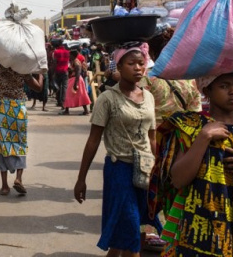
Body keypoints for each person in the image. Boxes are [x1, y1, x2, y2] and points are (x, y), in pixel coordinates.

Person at [148, 73, 233, 256]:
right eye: (224, 86)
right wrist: (204, 137)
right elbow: (178, 180)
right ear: (207, 90)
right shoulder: (191, 127)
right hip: (201, 230)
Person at [74, 43, 161, 257]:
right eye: (131, 64)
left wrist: (159, 171)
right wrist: (81, 178)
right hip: (119, 170)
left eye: (141, 64)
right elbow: (93, 141)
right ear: (118, 68)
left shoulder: (149, 97)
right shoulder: (107, 99)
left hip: (145, 170)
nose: (138, 68)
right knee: (130, 228)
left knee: (138, 228)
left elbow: (152, 138)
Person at [0, 65, 43, 195]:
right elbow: (38, 88)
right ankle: (18, 178)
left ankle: (4, 186)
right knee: (20, 143)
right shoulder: (22, 68)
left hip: (2, 109)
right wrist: (41, 74)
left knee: (2, 145)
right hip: (17, 109)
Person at [60, 50, 91, 116]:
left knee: (69, 94)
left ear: (73, 55)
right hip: (74, 79)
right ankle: (85, 110)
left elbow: (78, 73)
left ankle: (67, 110)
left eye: (70, 55)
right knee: (80, 95)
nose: (69, 56)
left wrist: (75, 84)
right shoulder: (73, 61)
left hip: (76, 80)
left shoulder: (76, 62)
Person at [53, 39, 70, 109]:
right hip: (65, 71)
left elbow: (55, 62)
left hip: (58, 70)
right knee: (65, 87)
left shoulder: (56, 52)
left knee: (58, 86)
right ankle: (63, 102)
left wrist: (53, 72)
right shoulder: (67, 52)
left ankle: (59, 102)